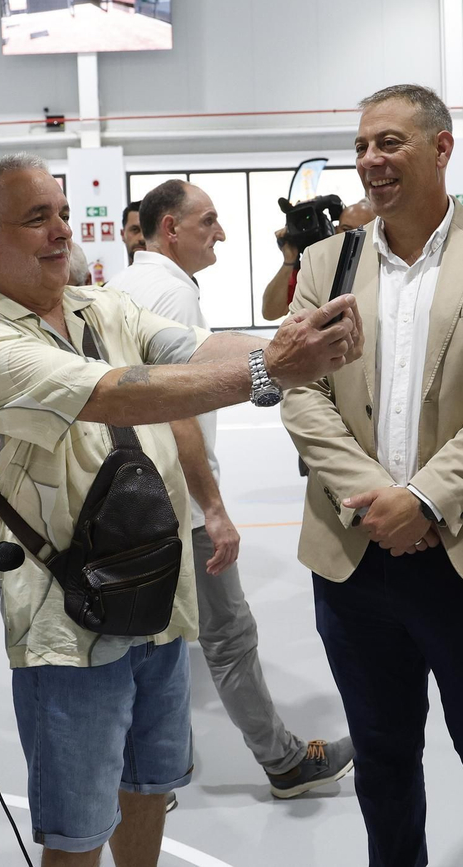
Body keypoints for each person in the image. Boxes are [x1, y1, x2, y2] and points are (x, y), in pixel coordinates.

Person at [0, 154, 362, 867]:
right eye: (36, 218)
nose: (60, 231)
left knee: (150, 789)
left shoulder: (99, 305)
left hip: (159, 602)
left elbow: (194, 350)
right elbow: (115, 391)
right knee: (77, 832)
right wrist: (269, 370)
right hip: (67, 628)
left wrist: (295, 341)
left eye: (63, 214)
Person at [282, 84, 463, 867]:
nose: (371, 160)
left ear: (442, 149)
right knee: (383, 757)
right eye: (363, 144)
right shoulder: (324, 263)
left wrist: (426, 499)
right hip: (355, 554)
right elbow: (299, 389)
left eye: (391, 143)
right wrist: (377, 501)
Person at [108, 179, 354, 802]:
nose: (221, 232)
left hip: (130, 497)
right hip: (172, 498)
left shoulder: (130, 285)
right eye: (209, 221)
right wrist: (211, 509)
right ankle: (283, 762)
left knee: (150, 639)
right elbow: (174, 406)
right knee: (228, 634)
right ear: (170, 229)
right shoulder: (167, 292)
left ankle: (138, 773)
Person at [260, 200, 372, 322]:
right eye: (345, 229)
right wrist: (289, 260)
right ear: (334, 229)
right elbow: (270, 313)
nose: (352, 236)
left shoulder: (382, 266)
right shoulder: (317, 266)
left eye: (361, 231)